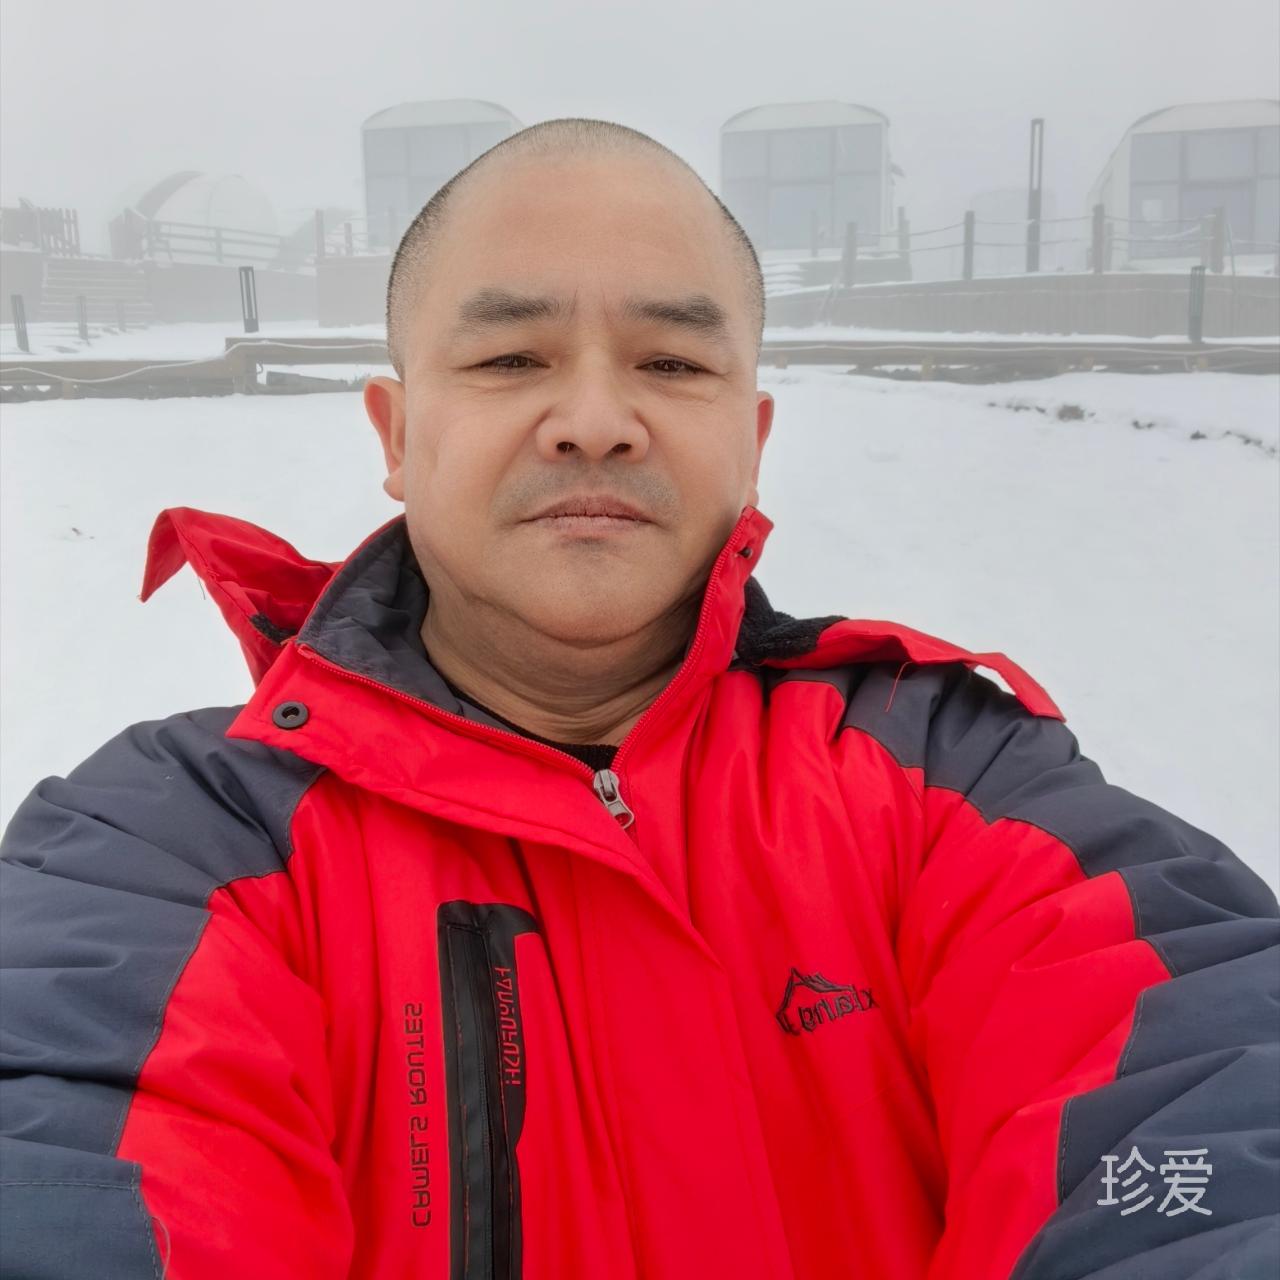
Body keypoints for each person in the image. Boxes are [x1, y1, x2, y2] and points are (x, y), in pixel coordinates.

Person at [1, 118, 1276, 1280]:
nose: (595, 420)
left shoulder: (954, 779)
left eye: (669, 360)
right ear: (394, 434)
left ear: (752, 439)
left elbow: (1200, 1080)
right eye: (510, 356)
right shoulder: (165, 846)